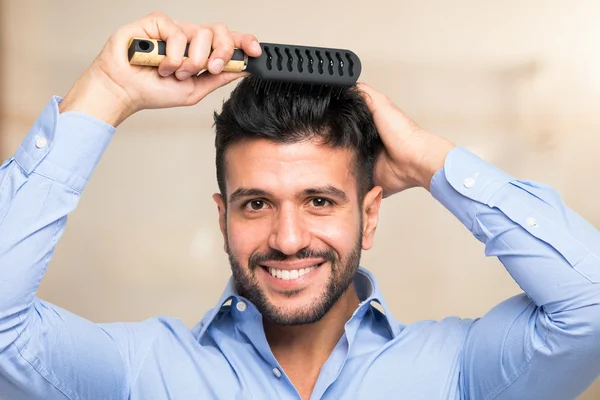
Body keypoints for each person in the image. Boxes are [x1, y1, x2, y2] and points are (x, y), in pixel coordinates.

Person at [0, 11, 599, 400]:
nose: (288, 238)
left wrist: (428, 160)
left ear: (370, 214)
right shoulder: (140, 374)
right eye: (257, 203)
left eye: (319, 200)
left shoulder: (460, 374)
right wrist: (107, 91)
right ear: (222, 217)